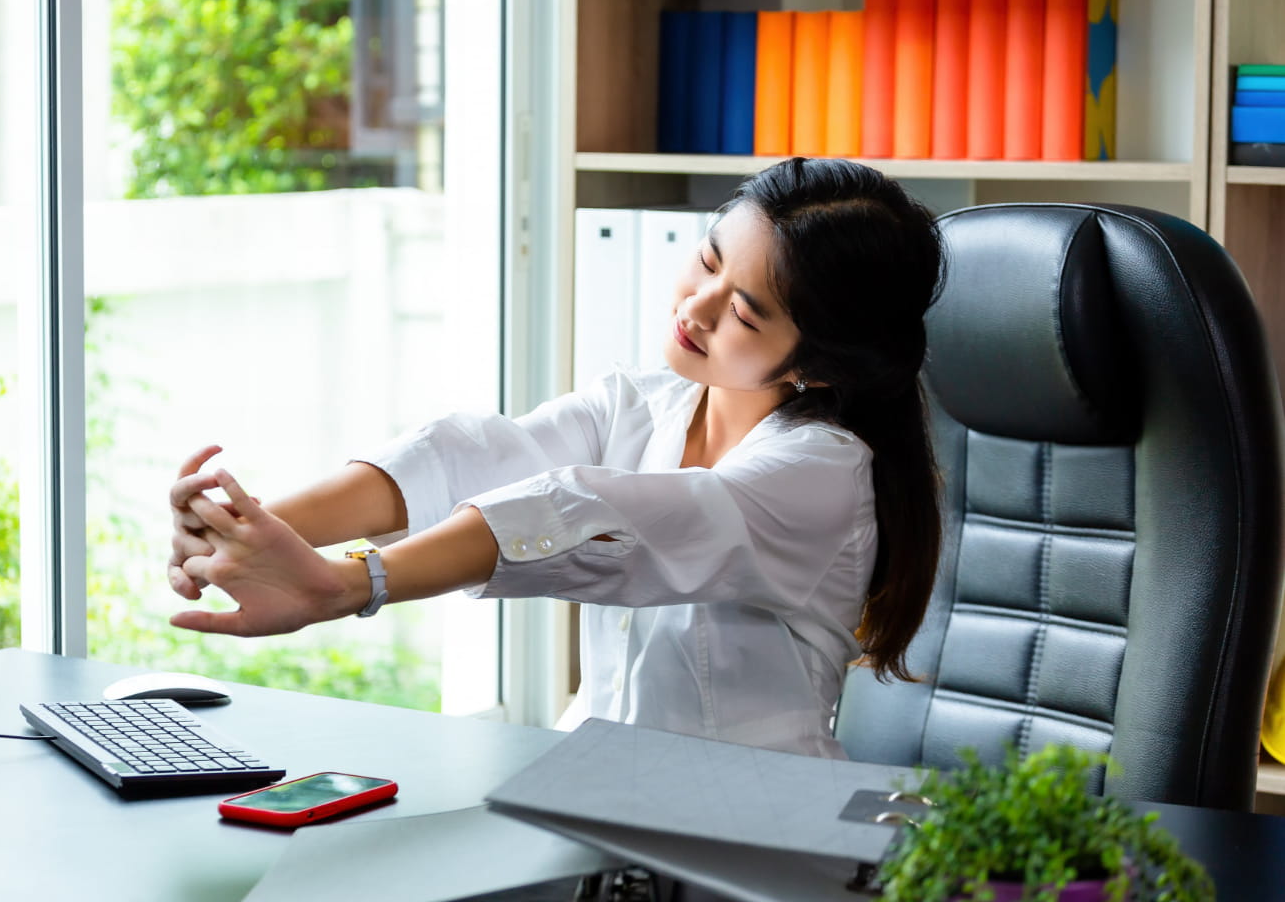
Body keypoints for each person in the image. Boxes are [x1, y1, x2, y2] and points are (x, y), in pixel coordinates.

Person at [167, 157, 946, 759]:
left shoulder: (820, 474)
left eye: (742, 312)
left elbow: (594, 511)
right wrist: (253, 528)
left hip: (751, 829)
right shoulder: (640, 404)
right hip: (598, 788)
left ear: (816, 365)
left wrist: (350, 583)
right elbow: (474, 455)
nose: (695, 308)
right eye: (709, 263)